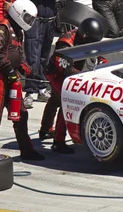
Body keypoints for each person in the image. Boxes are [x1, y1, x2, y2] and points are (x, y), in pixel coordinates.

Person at [0, 0, 44, 161]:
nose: (29, 22)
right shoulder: (2, 28)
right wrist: (9, 69)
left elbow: (19, 53)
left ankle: (27, 149)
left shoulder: (18, 30)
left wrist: (26, 69)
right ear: (19, 14)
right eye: (28, 18)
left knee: (21, 114)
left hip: (12, 78)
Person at [12, 0, 68, 108]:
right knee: (32, 57)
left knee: (44, 57)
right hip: (33, 22)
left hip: (49, 21)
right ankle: (30, 91)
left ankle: (42, 87)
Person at [39, 18, 104, 150]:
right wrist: (83, 76)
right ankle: (58, 142)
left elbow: (99, 54)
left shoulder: (87, 38)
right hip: (56, 73)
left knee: (54, 100)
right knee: (66, 102)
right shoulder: (65, 43)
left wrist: (103, 63)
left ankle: (45, 129)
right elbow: (64, 67)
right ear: (85, 36)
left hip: (72, 71)